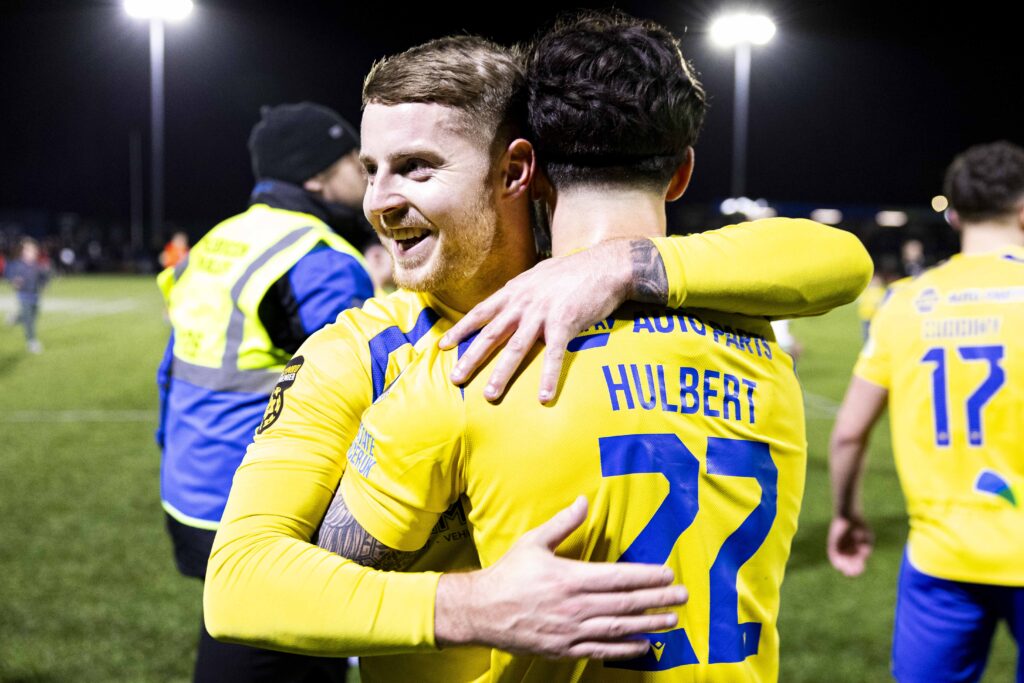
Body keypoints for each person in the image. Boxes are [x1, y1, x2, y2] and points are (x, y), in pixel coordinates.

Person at [204, 32, 872, 682]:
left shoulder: (627, 301)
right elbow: (238, 582)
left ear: (520, 170)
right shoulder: (360, 352)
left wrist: (619, 264)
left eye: (416, 167)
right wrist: (471, 605)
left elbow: (837, 260)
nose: (379, 201)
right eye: (371, 168)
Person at [157, 101, 377, 683]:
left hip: (188, 493)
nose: (367, 174)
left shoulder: (213, 243)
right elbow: (360, 397)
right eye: (355, 161)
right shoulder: (319, 257)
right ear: (315, 175)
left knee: (236, 628)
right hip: (266, 506)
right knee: (294, 655)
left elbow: (170, 371)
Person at [828, 140, 1024, 683]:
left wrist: (846, 513)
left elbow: (848, 435)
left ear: (955, 212)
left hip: (942, 560)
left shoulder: (907, 301)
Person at [5, 237, 49, 353]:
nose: (33, 253)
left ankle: (15, 319)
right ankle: (32, 342)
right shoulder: (17, 265)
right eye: (30, 250)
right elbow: (10, 276)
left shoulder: (37, 265)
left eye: (34, 250)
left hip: (35, 296)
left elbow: (43, 278)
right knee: (29, 320)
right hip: (23, 296)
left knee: (34, 315)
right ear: (24, 252)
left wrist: (44, 285)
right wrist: (14, 282)